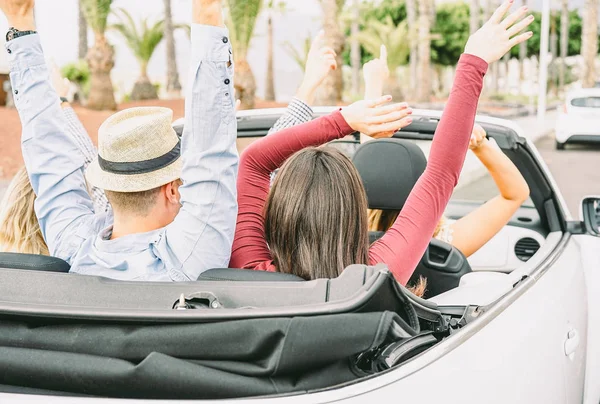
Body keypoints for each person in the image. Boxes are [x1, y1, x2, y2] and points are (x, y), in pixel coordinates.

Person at [229, 0, 534, 287]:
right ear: (352, 213)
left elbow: (254, 161)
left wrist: (344, 120)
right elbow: (441, 172)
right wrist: (471, 63)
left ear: (277, 215)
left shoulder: (248, 269)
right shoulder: (375, 277)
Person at [3, 0, 238, 281]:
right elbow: (210, 147)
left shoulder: (73, 249)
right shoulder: (190, 257)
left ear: (108, 185)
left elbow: (49, 159)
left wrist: (19, 18)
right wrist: (207, 10)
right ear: (172, 191)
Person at [363, 47, 530, 258]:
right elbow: (515, 194)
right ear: (424, 186)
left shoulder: (345, 237)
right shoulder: (441, 244)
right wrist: (481, 146)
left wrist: (373, 82)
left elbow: (370, 156)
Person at [0, 67, 110, 255]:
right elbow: (96, 175)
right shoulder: (85, 259)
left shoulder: (7, 265)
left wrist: (58, 101)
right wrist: (60, 101)